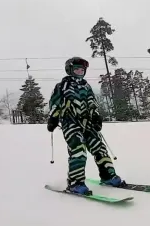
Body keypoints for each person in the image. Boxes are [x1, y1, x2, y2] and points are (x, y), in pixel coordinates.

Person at [46, 56, 125, 195]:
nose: (80, 72)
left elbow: (92, 102)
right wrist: (53, 118)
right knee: (78, 149)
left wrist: (96, 116)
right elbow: (55, 103)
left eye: (82, 70)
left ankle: (108, 176)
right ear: (70, 70)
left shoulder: (86, 86)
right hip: (70, 122)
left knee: (99, 148)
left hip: (87, 123)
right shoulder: (62, 86)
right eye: (77, 69)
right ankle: (75, 183)